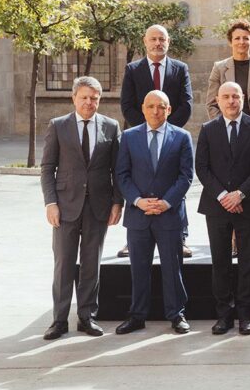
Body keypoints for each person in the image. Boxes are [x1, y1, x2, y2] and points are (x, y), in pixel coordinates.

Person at [40, 76, 123, 340]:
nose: (89, 102)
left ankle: (87, 317)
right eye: (84, 97)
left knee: (91, 264)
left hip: (98, 207)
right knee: (64, 263)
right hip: (64, 207)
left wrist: (117, 202)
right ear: (74, 98)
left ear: (100, 100)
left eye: (94, 98)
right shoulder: (58, 126)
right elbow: (47, 168)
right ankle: (59, 320)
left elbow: (117, 171)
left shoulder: (111, 127)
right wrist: (50, 202)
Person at [114, 90, 194, 335]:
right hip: (138, 215)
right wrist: (138, 201)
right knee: (139, 268)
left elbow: (186, 176)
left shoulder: (182, 137)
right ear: (143, 108)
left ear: (169, 109)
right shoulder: (128, 137)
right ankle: (137, 315)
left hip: (169, 215)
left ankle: (176, 314)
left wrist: (167, 202)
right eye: (151, 106)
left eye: (161, 107)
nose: (156, 111)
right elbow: (122, 175)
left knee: (172, 267)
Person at [196, 82, 250, 336]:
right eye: (226, 97)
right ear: (217, 100)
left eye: (235, 96)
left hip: (248, 206)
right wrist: (223, 196)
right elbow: (202, 168)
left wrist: (239, 195)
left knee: (249, 262)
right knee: (221, 262)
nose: (231, 101)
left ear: (242, 99)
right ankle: (224, 315)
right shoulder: (208, 130)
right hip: (216, 207)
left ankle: (245, 315)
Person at [119, 24, 194, 258]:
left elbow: (187, 104)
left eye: (162, 39)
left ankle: (180, 237)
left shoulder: (180, 69)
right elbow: (127, 105)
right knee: (140, 182)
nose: (158, 43)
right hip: (141, 138)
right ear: (145, 41)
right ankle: (133, 241)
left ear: (168, 42)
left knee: (174, 186)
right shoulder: (133, 69)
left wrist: (167, 130)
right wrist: (146, 127)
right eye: (153, 39)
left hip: (171, 138)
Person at [206, 19, 250, 124]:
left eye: (246, 38)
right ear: (230, 42)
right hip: (228, 132)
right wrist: (225, 127)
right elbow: (211, 104)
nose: (241, 42)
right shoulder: (219, 68)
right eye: (237, 38)